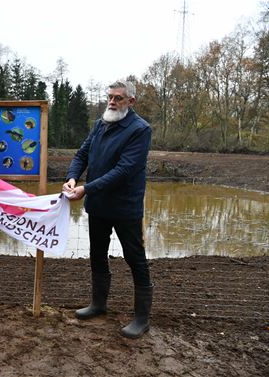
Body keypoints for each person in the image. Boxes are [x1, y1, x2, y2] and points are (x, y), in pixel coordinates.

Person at [63, 80, 153, 339]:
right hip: (98, 206)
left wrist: (86, 188)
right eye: (110, 97)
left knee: (135, 259)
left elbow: (124, 170)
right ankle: (99, 304)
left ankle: (141, 318)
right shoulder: (101, 124)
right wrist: (72, 177)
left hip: (125, 208)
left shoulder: (140, 129)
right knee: (97, 255)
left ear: (131, 102)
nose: (112, 102)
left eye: (118, 98)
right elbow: (82, 154)